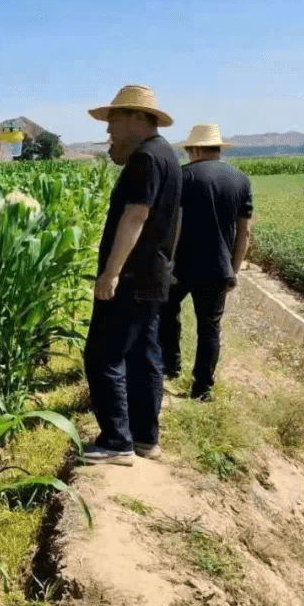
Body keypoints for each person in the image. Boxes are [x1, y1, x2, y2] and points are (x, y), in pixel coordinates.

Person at [82, 84, 183, 465]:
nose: (109, 129)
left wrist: (110, 272)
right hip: (151, 275)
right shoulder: (167, 156)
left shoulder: (145, 158)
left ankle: (115, 442)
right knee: (144, 356)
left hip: (131, 277)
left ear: (140, 118)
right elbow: (173, 219)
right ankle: (144, 438)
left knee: (102, 354)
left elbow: (136, 215)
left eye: (115, 119)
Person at [159, 124, 253, 401]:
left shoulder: (182, 176)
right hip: (217, 267)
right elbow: (244, 230)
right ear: (218, 149)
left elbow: (175, 225)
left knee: (166, 314)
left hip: (182, 265)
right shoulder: (241, 179)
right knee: (209, 328)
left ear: (195, 149)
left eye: (188, 150)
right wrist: (234, 270)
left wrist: (170, 263)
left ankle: (169, 366)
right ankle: (202, 388)